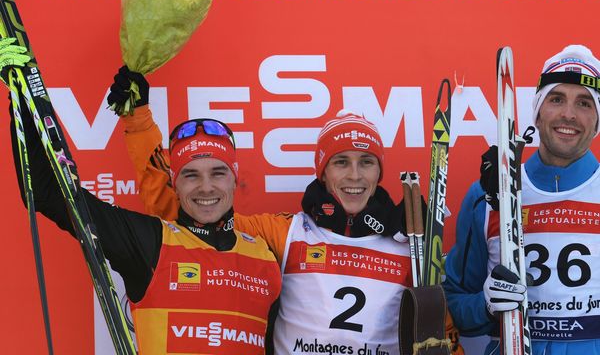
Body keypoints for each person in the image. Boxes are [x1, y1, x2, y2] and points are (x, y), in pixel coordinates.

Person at [108, 66, 464, 354]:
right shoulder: (284, 232)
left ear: (379, 172)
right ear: (322, 171)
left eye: (366, 162)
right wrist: (138, 123)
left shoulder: (411, 244)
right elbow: (185, 216)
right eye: (341, 162)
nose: (354, 175)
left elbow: (439, 333)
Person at [1, 38, 282, 355]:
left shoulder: (267, 257)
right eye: (191, 174)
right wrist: (22, 98)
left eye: (218, 173)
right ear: (174, 183)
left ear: (234, 179)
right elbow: (49, 192)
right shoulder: (151, 242)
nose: (206, 187)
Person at [443, 44, 600, 355]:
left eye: (584, 103)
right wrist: (486, 306)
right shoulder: (489, 196)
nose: (568, 114)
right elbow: (455, 304)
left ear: (597, 122)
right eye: (556, 99)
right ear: (537, 113)